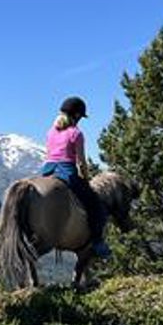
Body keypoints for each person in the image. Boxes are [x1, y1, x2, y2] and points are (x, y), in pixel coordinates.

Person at [41, 96, 112, 259]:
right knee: (95, 205)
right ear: (77, 115)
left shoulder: (50, 132)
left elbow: (50, 155)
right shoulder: (76, 133)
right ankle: (98, 243)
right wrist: (86, 178)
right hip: (66, 171)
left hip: (48, 170)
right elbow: (81, 161)